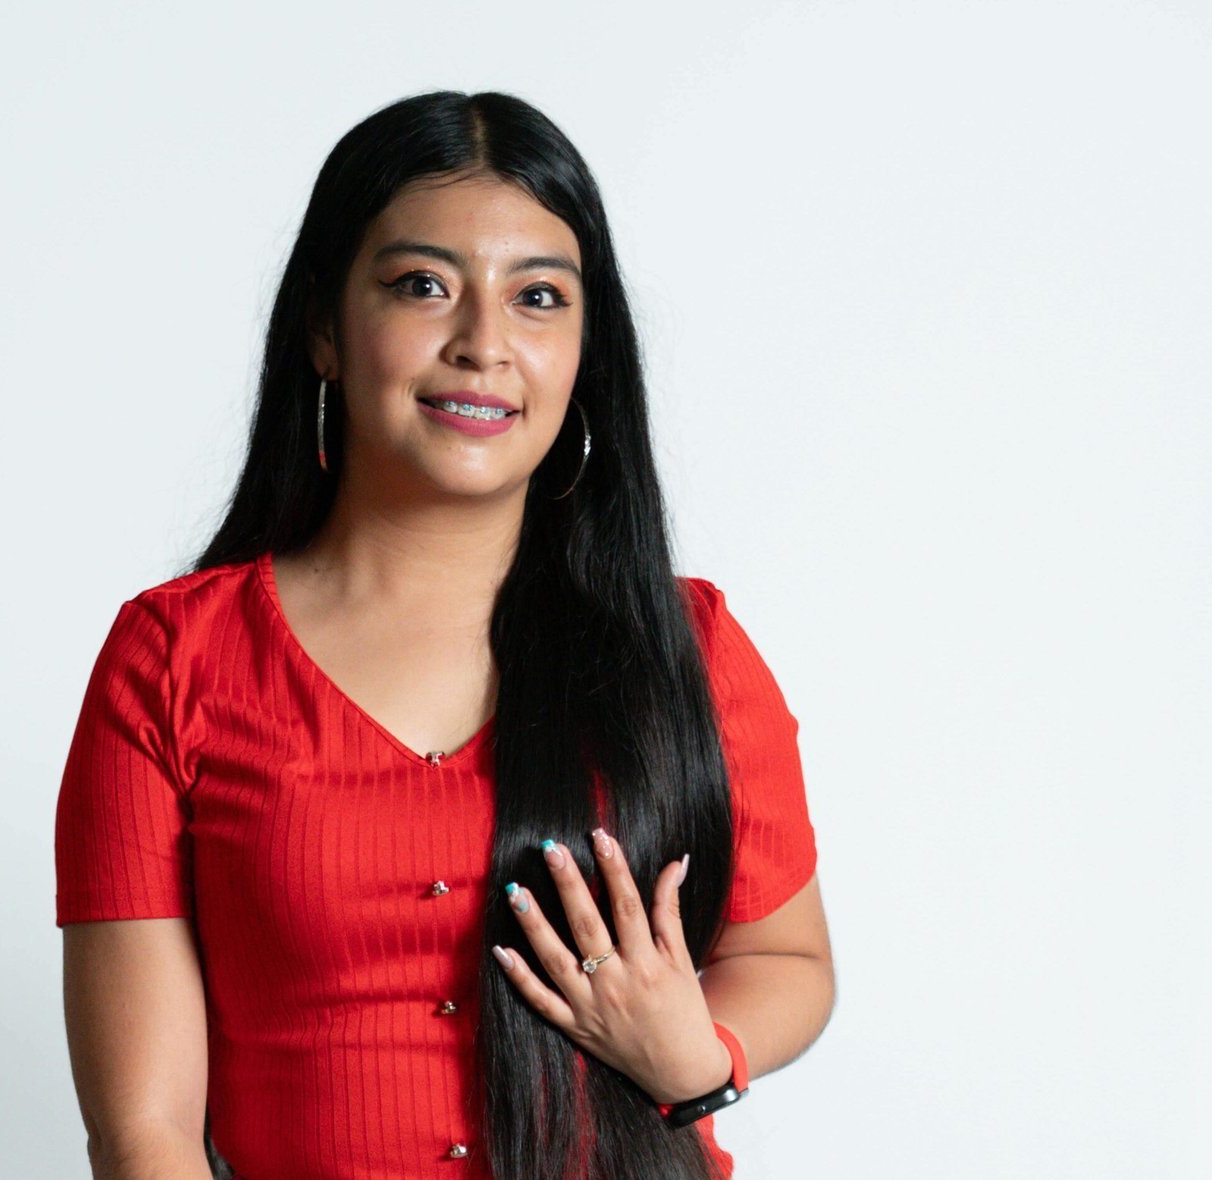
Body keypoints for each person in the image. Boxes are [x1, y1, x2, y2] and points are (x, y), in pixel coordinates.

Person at [54, 89, 834, 1180]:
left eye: (538, 298)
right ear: (325, 327)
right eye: (422, 285)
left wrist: (703, 1052)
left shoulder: (686, 648)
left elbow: (788, 957)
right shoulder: (173, 660)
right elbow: (145, 1132)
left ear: (586, 351)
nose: (483, 345)